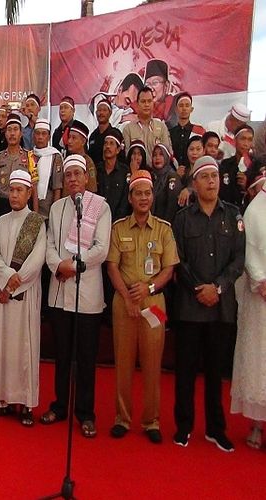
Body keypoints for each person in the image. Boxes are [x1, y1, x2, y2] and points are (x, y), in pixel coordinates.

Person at [171, 156, 245, 452]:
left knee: (216, 373)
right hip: (190, 306)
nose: (212, 181)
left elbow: (238, 259)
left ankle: (216, 428)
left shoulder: (233, 215)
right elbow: (177, 259)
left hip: (220, 307)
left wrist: (218, 288)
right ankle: (183, 426)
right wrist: (199, 289)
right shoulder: (183, 218)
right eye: (205, 177)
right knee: (185, 372)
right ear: (195, 183)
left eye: (215, 176)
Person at [106, 170, 179, 443]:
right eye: (139, 193)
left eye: (148, 193)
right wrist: (126, 297)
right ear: (130, 197)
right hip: (123, 303)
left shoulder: (164, 229)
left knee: (152, 364)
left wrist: (148, 288)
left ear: (153, 196)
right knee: (123, 364)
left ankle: (151, 421)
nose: (144, 198)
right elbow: (112, 267)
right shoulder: (119, 228)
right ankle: (122, 418)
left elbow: (169, 269)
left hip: (154, 304)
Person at [41, 154, 111, 438]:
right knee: (62, 355)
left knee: (85, 358)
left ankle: (85, 413)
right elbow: (49, 245)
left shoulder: (100, 207)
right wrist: (59, 265)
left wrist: (75, 264)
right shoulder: (56, 208)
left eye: (76, 175)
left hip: (87, 295)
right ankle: (59, 406)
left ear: (85, 178)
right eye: (68, 175)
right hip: (59, 293)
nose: (72, 179)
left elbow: (101, 248)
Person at [0, 170, 46, 423]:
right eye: (11, 190)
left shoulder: (37, 222)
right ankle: (2, 399)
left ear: (29, 193)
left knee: (25, 347)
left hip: (23, 294)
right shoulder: (0, 221)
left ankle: (25, 403)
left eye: (19, 190)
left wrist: (12, 284)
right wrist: (7, 280)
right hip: (3, 293)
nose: (14, 195)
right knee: (3, 347)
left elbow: (37, 260)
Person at [230, 176, 266, 449]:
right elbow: (248, 249)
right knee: (258, 360)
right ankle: (257, 423)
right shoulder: (255, 209)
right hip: (261, 296)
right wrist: (260, 279)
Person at [0, 113, 37, 220]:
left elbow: (34, 187)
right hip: (3, 206)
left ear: (21, 134)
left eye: (15, 129)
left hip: (23, 205)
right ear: (5, 134)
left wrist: (35, 214)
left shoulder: (30, 156)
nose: (12, 133)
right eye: (9, 130)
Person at [122, 87, 172, 157]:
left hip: (158, 167)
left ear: (153, 103)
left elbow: (167, 153)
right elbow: (128, 155)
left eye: (149, 101)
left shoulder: (161, 127)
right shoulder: (128, 129)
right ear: (137, 104)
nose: (146, 105)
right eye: (143, 101)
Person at [31, 119, 64, 220]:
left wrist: (55, 212)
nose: (40, 137)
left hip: (48, 209)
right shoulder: (29, 155)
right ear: (33, 136)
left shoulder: (55, 156)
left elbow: (57, 187)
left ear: (49, 137)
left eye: (44, 134)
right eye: (37, 133)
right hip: (31, 206)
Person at [97, 128, 130, 221]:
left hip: (118, 222)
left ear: (118, 149)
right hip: (98, 221)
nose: (107, 146)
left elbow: (125, 201)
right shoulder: (97, 170)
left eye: (111, 143)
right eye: (106, 143)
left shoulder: (125, 172)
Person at [219, 124, 253, 212]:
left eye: (249, 140)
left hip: (247, 212)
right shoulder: (225, 164)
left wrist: (246, 186)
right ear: (235, 140)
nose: (246, 144)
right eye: (243, 139)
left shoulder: (256, 165)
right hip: (227, 213)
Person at [168, 93, 206, 167]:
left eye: (187, 105)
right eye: (181, 105)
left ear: (191, 109)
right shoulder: (169, 132)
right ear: (176, 109)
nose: (184, 109)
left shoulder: (199, 131)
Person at [150, 143, 184, 224]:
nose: (157, 158)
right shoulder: (152, 176)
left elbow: (172, 207)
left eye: (161, 154)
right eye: (155, 155)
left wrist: (164, 226)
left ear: (166, 157)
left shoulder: (172, 177)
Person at [65, 120, 98, 193]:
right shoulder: (67, 160)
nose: (69, 141)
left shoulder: (88, 162)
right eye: (69, 137)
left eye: (74, 138)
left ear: (83, 141)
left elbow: (92, 189)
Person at [88, 97, 120, 167]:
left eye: (104, 110)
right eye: (99, 110)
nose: (101, 113)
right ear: (96, 113)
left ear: (110, 113)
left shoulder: (116, 134)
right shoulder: (92, 136)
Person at [144, 59, 175, 125]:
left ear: (166, 85)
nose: (151, 88)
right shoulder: (139, 107)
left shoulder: (175, 106)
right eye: (147, 84)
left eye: (155, 83)